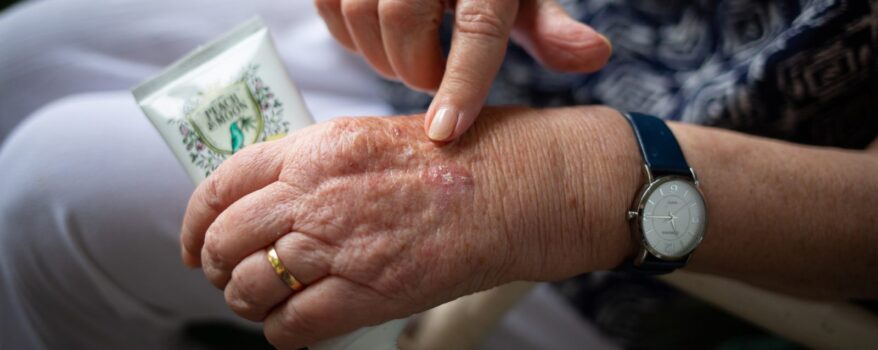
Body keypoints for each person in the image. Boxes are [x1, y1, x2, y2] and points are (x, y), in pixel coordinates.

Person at [1, 1, 876, 350]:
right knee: (23, 55)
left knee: (53, 190)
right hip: (446, 47)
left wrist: (572, 179)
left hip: (603, 255)